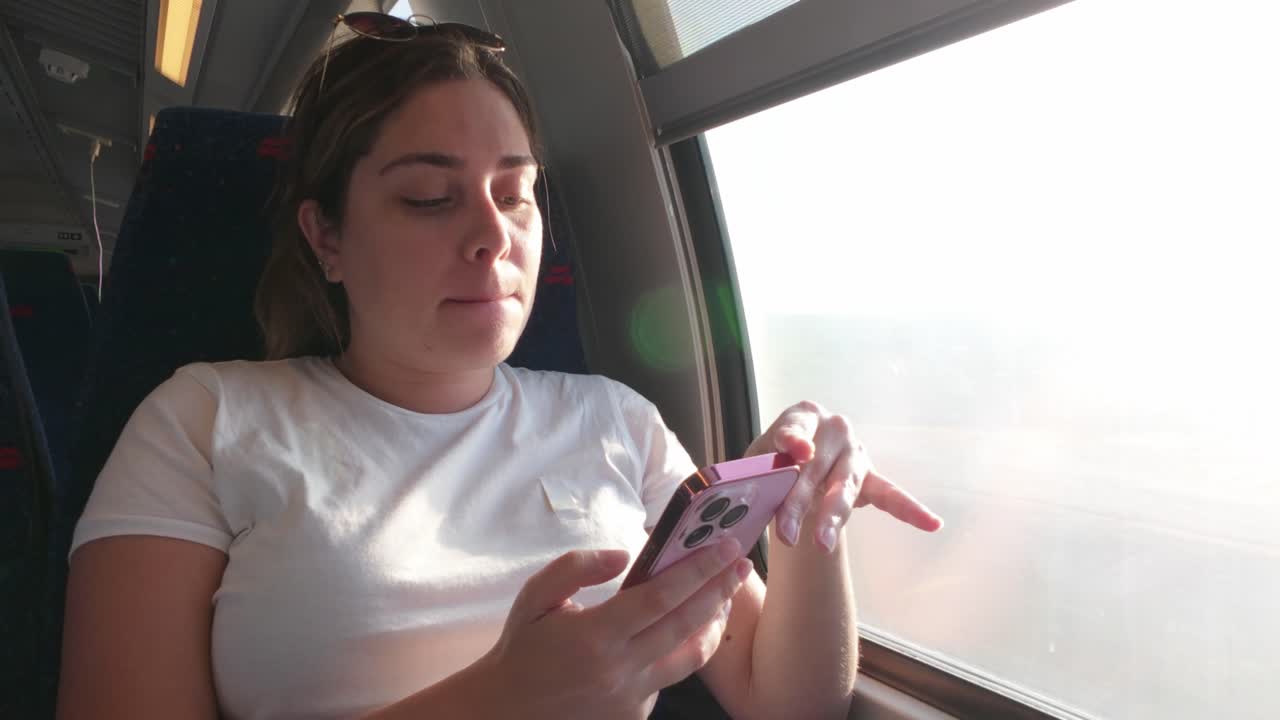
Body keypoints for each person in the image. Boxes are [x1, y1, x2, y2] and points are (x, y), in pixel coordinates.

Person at [56, 17, 943, 720]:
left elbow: (788, 702)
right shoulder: (206, 421)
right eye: (429, 199)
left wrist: (806, 524)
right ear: (325, 236)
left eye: (515, 193)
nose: (492, 237)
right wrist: (502, 700)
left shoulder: (616, 422)